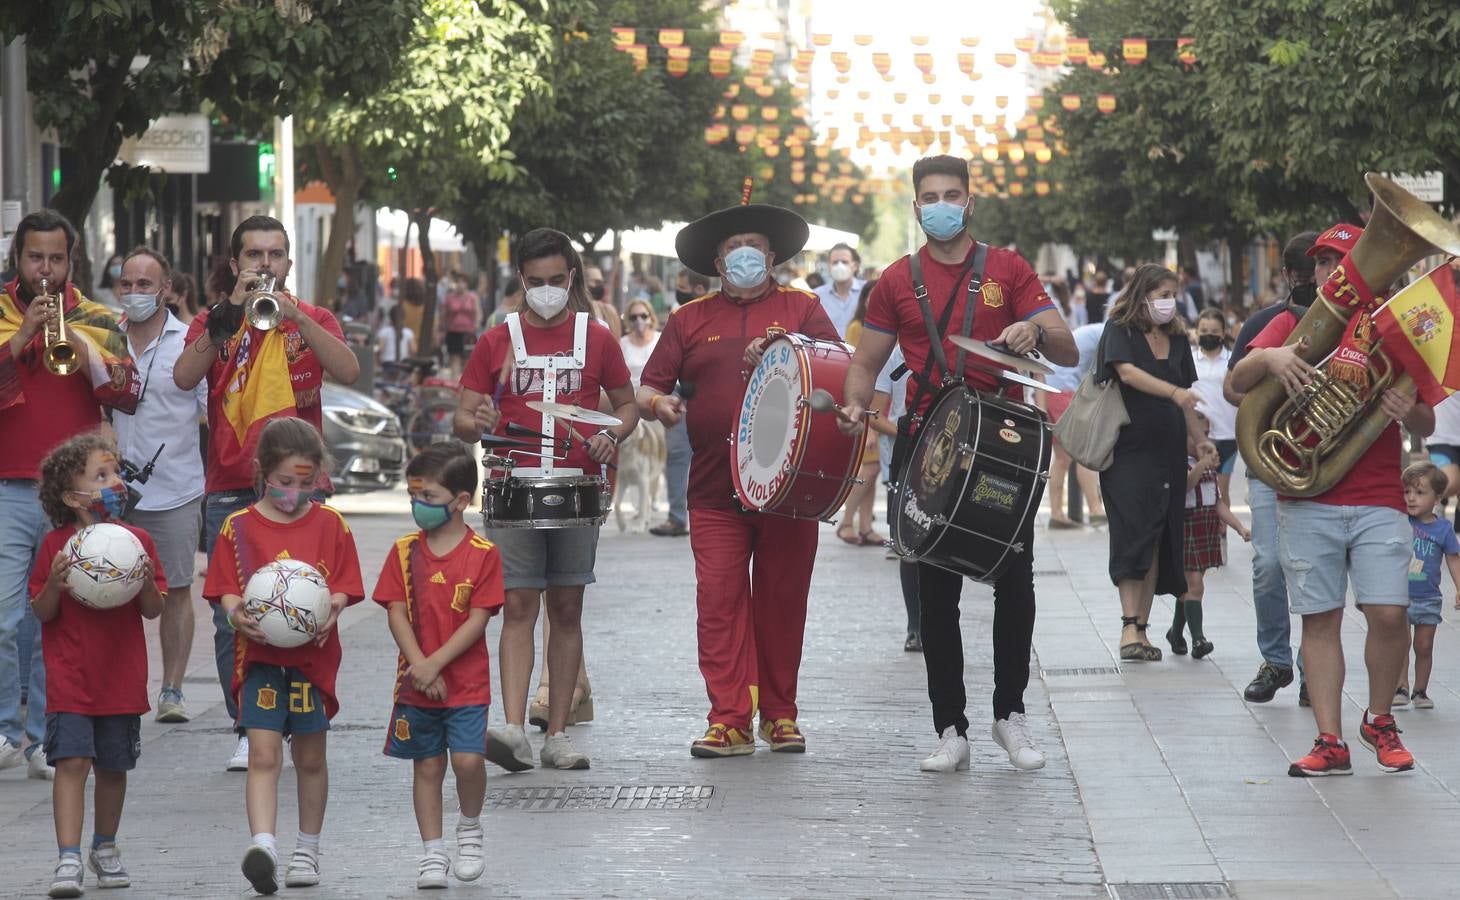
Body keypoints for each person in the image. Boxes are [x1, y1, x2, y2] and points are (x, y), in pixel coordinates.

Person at [841, 154, 1077, 774]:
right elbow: (864, 365)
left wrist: (1031, 327)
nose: (941, 205)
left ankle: (1011, 716)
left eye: (953, 194)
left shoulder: (1009, 268)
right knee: (935, 587)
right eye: (930, 197)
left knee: (1015, 581)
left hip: (1001, 440)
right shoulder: (895, 280)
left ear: (969, 202)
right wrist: (856, 407)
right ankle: (951, 727)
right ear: (916, 207)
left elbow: (1066, 344)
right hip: (930, 441)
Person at [638, 195, 840, 758]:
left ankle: (780, 715)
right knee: (719, 600)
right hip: (711, 489)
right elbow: (650, 386)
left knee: (782, 601)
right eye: (733, 248)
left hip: (788, 490)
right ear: (717, 261)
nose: (745, 254)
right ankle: (728, 718)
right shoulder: (688, 318)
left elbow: (838, 370)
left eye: (753, 246)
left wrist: (789, 350)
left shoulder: (803, 310)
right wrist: (660, 407)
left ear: (771, 255)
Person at [1230, 229, 1428, 778]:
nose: (1330, 272)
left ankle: (1379, 719)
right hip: (1307, 494)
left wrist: (1405, 408)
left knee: (1390, 613)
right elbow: (1234, 385)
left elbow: (1425, 420)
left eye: (1340, 262)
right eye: (1322, 263)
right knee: (1320, 620)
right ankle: (1329, 740)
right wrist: (1270, 358)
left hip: (1378, 491)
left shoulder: (1393, 330)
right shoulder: (1291, 324)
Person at [174, 214, 359, 772]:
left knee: (305, 599)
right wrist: (225, 319)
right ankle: (247, 723)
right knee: (234, 610)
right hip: (232, 484)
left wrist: (298, 314)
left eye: (275, 255)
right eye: (254, 255)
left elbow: (347, 369)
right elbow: (185, 378)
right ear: (235, 264)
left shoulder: (312, 317)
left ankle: (302, 714)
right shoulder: (217, 320)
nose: (264, 265)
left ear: (288, 262)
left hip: (303, 486)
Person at [453, 228, 638, 772]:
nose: (547, 291)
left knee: (567, 607)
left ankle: (557, 731)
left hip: (578, 487)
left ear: (572, 278)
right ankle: (513, 729)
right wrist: (477, 419)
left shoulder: (598, 338)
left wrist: (613, 434)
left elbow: (627, 406)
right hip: (514, 487)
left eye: (557, 280)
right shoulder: (496, 340)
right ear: (520, 281)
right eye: (536, 282)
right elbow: (465, 413)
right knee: (516, 605)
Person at [0, 209, 139, 781]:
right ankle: (5, 730)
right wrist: (24, 337)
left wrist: (80, 348)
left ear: (70, 261)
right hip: (8, 485)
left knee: (53, 620)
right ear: (18, 259)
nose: (47, 270)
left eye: (57, 259)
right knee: (7, 617)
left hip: (72, 495)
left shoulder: (97, 317)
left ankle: (40, 740)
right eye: (37, 258)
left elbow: (128, 392)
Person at [203, 418, 363, 893]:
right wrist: (236, 616)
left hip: (312, 662)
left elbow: (346, 587)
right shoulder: (238, 526)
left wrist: (334, 606)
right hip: (258, 661)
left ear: (320, 476)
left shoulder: (331, 523)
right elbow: (224, 592)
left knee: (311, 759)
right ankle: (264, 845)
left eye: (306, 483)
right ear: (261, 472)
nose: (295, 492)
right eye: (284, 482)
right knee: (263, 754)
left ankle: (307, 850)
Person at [32, 431, 165, 897]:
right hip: (71, 679)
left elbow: (154, 608)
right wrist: (53, 584)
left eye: (115, 474)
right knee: (72, 763)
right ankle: (68, 857)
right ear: (73, 496)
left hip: (120, 678)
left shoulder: (139, 540)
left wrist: (146, 580)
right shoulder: (55, 546)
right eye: (101, 476)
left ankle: (104, 847)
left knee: (113, 767)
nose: (116, 484)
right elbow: (43, 611)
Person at [1223, 227, 1351, 706]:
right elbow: (1232, 389)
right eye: (1313, 269)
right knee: (1269, 564)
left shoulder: (1355, 325)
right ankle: (1276, 660)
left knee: (1313, 569)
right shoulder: (1267, 322)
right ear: (1292, 276)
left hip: (1328, 461)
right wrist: (1271, 368)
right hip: (1271, 458)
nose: (1316, 278)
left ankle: (1308, 667)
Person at [375, 443, 502, 890]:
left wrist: (436, 665)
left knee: (468, 760)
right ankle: (432, 852)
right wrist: (419, 666)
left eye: (428, 498)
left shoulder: (483, 553)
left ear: (461, 501)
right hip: (416, 686)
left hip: (466, 685)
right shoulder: (404, 551)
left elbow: (479, 618)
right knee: (426, 767)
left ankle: (469, 826)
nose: (418, 506)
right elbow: (395, 610)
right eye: (413, 496)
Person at [112, 247, 208, 723]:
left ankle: (172, 689)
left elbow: (213, 412)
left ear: (166, 289)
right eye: (126, 284)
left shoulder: (189, 340)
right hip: (108, 490)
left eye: (145, 285)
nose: (134, 294)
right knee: (108, 589)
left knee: (177, 589)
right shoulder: (104, 336)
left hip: (174, 488)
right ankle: (121, 688)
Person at [1096, 264, 1211, 663]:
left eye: (1173, 294)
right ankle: (1129, 625)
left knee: (1159, 535)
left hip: (1168, 454)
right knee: (1132, 531)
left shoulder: (1177, 337)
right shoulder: (1119, 331)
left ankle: (1142, 630)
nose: (1170, 302)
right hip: (1127, 451)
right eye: (1163, 293)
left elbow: (1188, 399)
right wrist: (1175, 392)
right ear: (1143, 293)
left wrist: (1199, 441)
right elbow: (1127, 374)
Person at [1167, 414, 1251, 659]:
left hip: (1205, 528)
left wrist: (1239, 527)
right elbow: (1186, 485)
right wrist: (1203, 463)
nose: (1203, 442)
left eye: (1207, 436)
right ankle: (1198, 639)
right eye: (1197, 437)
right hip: (1187, 528)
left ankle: (1175, 632)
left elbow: (1217, 504)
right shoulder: (1179, 462)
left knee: (1189, 587)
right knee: (1195, 585)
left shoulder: (1208, 468)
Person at [1397, 462, 1458, 711]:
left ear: (1438, 497)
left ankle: (1420, 691)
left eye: (1420, 493)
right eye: (1407, 492)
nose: (1411, 499)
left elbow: (1453, 558)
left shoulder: (1443, 529)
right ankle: (1400, 686)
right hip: (1400, 597)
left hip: (1429, 598)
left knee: (1424, 645)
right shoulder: (1400, 521)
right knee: (1400, 643)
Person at [1045, 322, 1108, 528]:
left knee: (1062, 458)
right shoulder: (1108, 334)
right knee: (1082, 452)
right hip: (1064, 390)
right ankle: (1096, 510)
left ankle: (1056, 514)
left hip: (1052, 389)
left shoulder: (1096, 330)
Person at [1191, 308, 1239, 503]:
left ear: (1223, 333)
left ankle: (1221, 534)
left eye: (1214, 332)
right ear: (1196, 332)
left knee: (1220, 492)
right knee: (1197, 489)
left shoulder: (1233, 361)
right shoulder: (1189, 359)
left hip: (1227, 434)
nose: (1208, 336)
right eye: (1203, 331)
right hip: (1198, 435)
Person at [813, 242, 865, 339]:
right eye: (835, 262)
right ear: (829, 266)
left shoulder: (868, 292)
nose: (839, 266)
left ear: (855, 266)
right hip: (829, 352)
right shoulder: (816, 296)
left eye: (844, 262)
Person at [439, 272, 480, 374]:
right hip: (453, 331)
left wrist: (476, 324)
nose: (460, 284)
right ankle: (455, 383)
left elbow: (478, 312)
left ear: (467, 284)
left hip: (468, 332)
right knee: (455, 358)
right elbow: (444, 314)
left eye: (463, 282)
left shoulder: (472, 297)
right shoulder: (450, 297)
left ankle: (465, 384)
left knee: (468, 359)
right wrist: (442, 329)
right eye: (458, 282)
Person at [620, 298, 660, 385]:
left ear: (651, 317)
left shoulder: (661, 339)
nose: (639, 320)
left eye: (643, 316)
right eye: (633, 317)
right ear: (628, 320)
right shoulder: (622, 344)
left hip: (657, 394)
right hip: (632, 395)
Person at [583, 264, 624, 336]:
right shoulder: (575, 309)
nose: (600, 285)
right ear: (584, 283)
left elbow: (617, 340)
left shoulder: (609, 311)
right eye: (596, 282)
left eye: (601, 282)